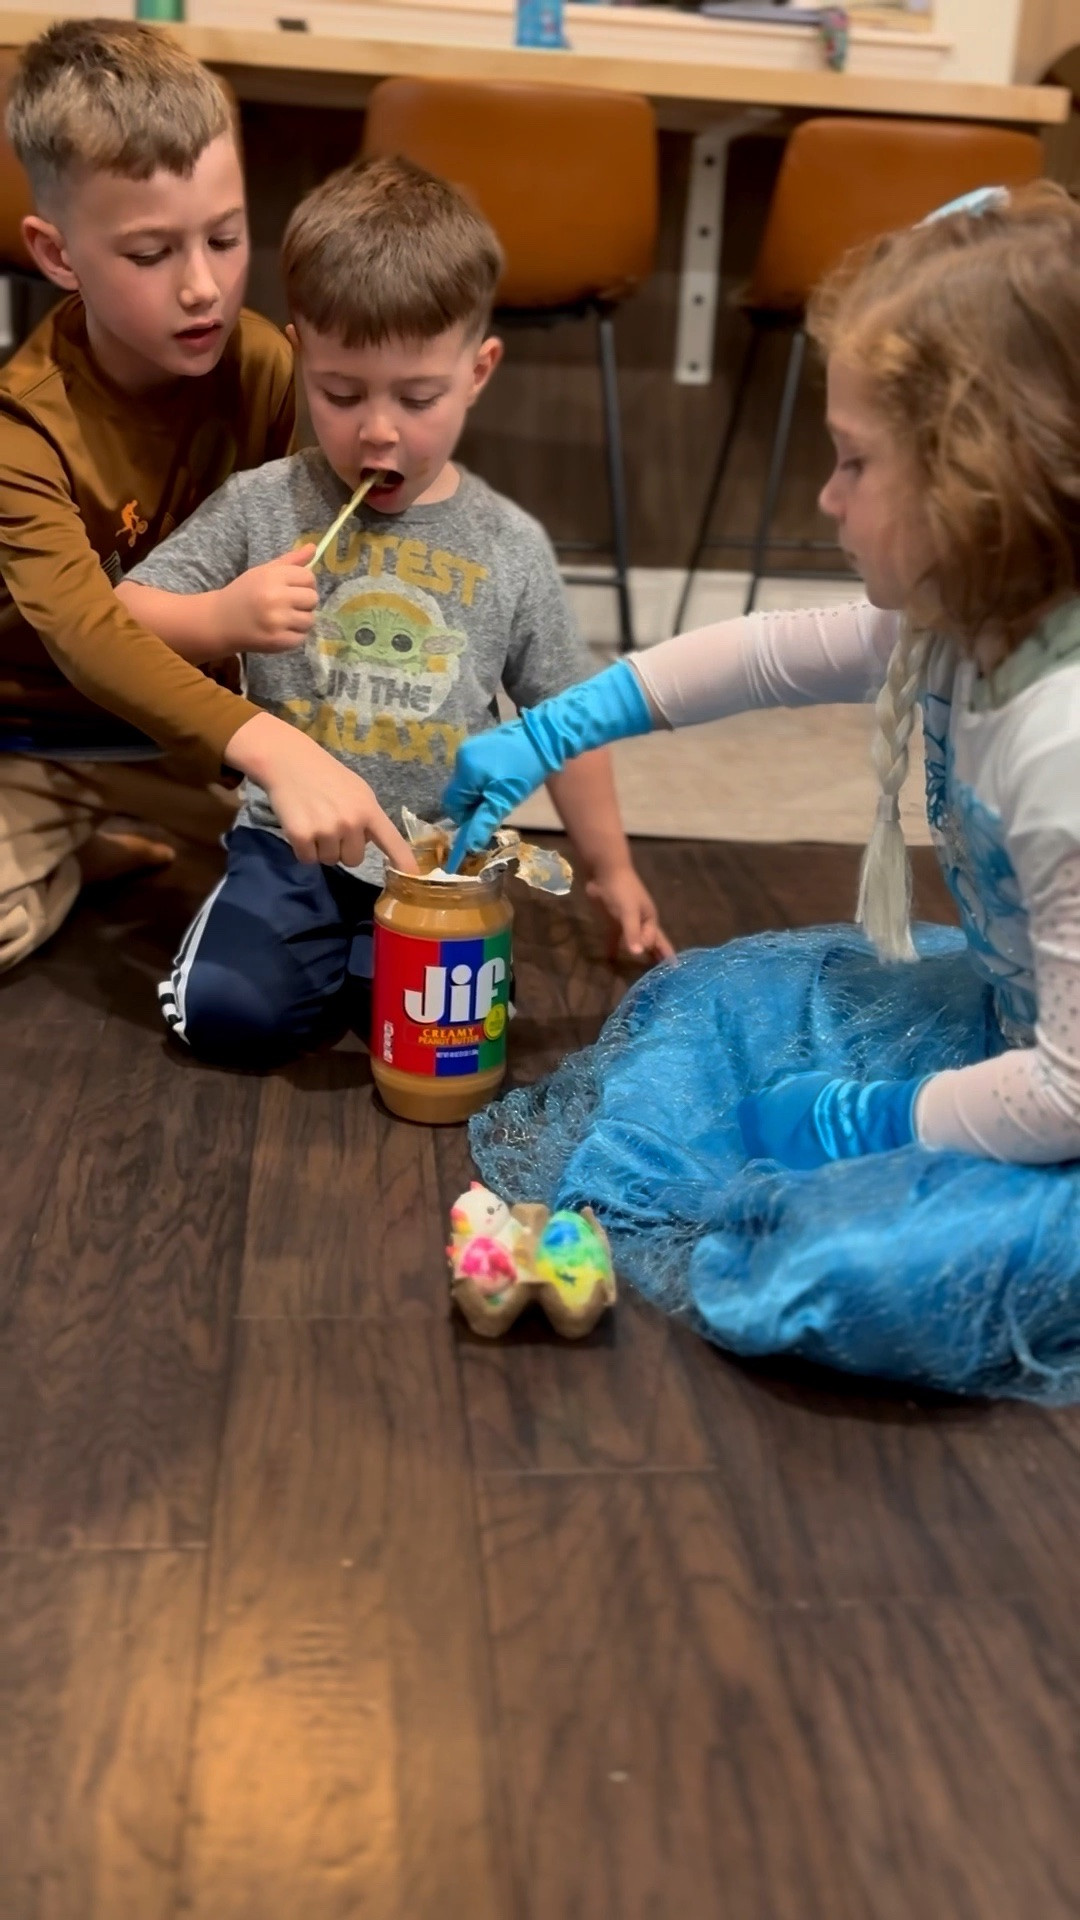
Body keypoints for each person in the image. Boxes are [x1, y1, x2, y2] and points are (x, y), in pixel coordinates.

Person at [444, 182, 1080, 1401]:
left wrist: (871, 1121)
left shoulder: (1062, 740)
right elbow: (765, 657)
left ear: (981, 483)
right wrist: (558, 727)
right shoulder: (969, 611)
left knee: (837, 1269)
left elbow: (1069, 1093)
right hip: (1020, 1031)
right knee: (716, 1007)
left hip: (1064, 1094)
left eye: (854, 464)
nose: (826, 499)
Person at [119, 155, 668, 1064]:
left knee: (447, 1038)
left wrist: (613, 869)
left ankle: (353, 965)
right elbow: (121, 617)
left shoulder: (508, 544)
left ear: (478, 371)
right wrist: (222, 618)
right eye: (340, 394)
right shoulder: (263, 505)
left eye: (418, 398)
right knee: (227, 1018)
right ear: (300, 353)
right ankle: (310, 957)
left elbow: (568, 719)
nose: (379, 429)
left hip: (438, 868)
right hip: (289, 848)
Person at [0, 18, 411, 975]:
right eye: (150, 254)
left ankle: (100, 836)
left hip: (183, 745)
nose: (204, 288)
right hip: (38, 737)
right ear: (58, 255)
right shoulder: (20, 430)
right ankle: (69, 845)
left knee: (366, 855)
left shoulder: (263, 364)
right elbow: (89, 639)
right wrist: (271, 745)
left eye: (225, 239)